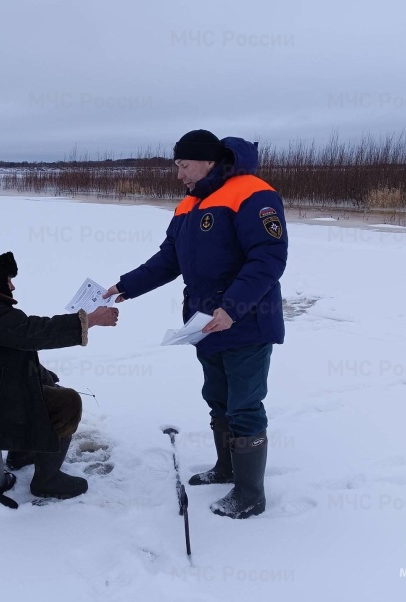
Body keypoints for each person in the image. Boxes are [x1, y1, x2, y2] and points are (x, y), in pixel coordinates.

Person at [104, 129, 288, 519]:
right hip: (205, 324)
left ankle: (250, 493)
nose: (179, 174)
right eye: (176, 166)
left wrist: (232, 308)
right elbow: (169, 259)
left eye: (183, 165)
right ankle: (226, 469)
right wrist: (126, 286)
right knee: (217, 399)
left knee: (245, 405)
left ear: (208, 161)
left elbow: (268, 258)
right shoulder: (189, 205)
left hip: (246, 322)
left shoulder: (253, 193)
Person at [0, 250, 118, 501]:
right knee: (68, 403)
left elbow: (7, 347)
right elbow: (33, 332)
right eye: (8, 279)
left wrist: (40, 375)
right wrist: (89, 320)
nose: (12, 285)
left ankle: (22, 453)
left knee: (44, 379)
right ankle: (47, 480)